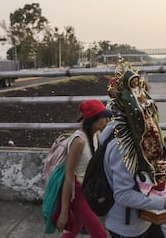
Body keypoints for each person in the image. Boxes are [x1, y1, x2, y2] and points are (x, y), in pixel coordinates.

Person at [102, 60, 166, 238]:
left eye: (145, 96)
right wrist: (164, 202)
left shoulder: (135, 132)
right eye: (139, 99)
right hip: (128, 227)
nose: (146, 102)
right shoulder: (121, 143)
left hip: (144, 218)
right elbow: (123, 195)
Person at [55, 99, 110, 238]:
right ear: (93, 120)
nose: (107, 120)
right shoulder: (78, 141)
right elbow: (68, 177)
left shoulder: (96, 135)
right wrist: (64, 212)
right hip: (79, 193)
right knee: (100, 234)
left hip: (89, 191)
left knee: (73, 229)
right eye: (103, 117)